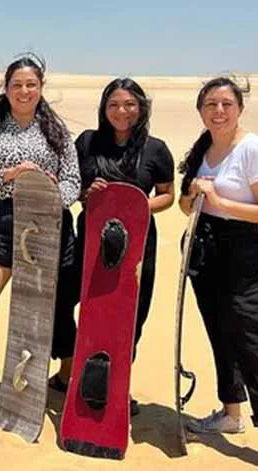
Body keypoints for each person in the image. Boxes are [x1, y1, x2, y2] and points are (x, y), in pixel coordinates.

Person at [177, 76, 258, 471]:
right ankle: (230, 413)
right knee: (220, 333)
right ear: (201, 111)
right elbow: (184, 204)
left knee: (255, 340)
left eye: (226, 103)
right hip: (205, 250)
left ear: (239, 108)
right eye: (211, 104)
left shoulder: (252, 148)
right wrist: (194, 196)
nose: (219, 111)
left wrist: (221, 201)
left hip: (245, 254)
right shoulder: (202, 149)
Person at [0, 55, 81, 407]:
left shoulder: (56, 130)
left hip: (45, 228)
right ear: (7, 88)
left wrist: (53, 195)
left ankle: (28, 394)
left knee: (38, 317)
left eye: (31, 84)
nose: (24, 91)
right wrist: (7, 176)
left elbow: (73, 179)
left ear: (41, 88)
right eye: (17, 85)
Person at [54, 77, 175, 416]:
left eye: (129, 105)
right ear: (103, 109)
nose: (121, 111)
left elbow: (167, 194)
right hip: (90, 242)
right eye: (113, 105)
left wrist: (136, 206)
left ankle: (117, 383)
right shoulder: (88, 143)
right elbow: (73, 186)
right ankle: (69, 368)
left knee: (129, 317)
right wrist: (86, 194)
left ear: (141, 108)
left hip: (136, 247)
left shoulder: (155, 149)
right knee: (61, 300)